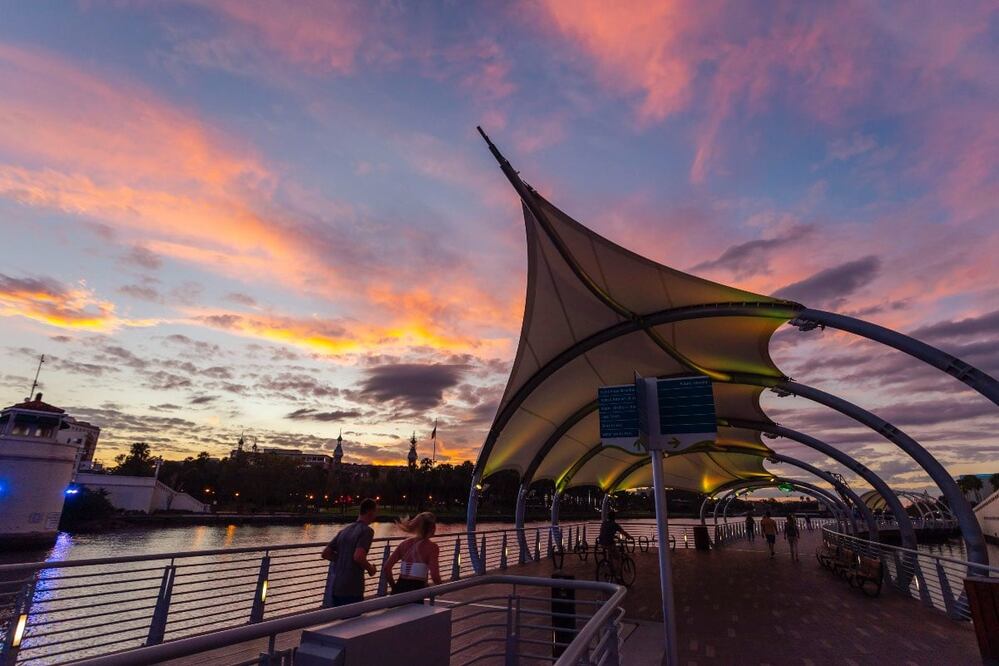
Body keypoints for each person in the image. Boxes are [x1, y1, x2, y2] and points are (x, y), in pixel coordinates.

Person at [321, 498, 378, 606]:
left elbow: (326, 553)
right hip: (352, 588)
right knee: (354, 620)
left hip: (337, 586)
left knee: (340, 621)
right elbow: (358, 557)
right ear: (370, 512)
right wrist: (371, 569)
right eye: (375, 512)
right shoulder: (367, 531)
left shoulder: (344, 531)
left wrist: (342, 559)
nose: (376, 515)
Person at [383, 512, 442, 598]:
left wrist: (394, 587)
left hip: (400, 588)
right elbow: (435, 576)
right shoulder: (432, 547)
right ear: (431, 527)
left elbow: (386, 568)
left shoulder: (404, 544)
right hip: (416, 591)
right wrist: (442, 589)